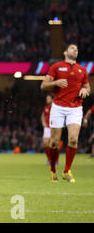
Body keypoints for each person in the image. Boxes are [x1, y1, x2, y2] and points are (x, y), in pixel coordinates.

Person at [41, 43, 90, 183]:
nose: (76, 50)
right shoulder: (56, 67)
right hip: (58, 107)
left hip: (75, 108)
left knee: (73, 140)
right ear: (65, 52)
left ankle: (66, 171)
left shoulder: (82, 70)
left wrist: (85, 91)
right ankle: (53, 170)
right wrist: (55, 83)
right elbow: (43, 85)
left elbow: (87, 87)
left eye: (77, 49)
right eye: (72, 48)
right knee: (54, 142)